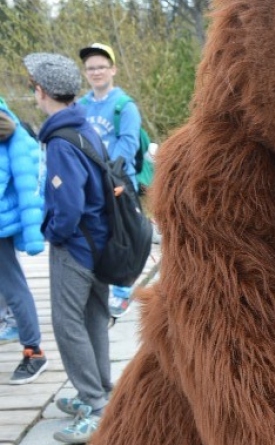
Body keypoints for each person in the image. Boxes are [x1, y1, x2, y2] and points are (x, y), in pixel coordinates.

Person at [24, 52, 112, 444]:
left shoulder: (59, 141)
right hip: (99, 242)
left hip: (75, 246)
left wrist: (55, 234)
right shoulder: (84, 126)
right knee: (93, 315)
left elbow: (69, 204)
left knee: (66, 323)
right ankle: (102, 391)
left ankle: (94, 405)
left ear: (42, 92)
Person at [78, 42, 141, 318]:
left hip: (117, 182)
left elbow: (128, 145)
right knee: (98, 236)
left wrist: (106, 173)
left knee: (121, 237)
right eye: (91, 68)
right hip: (90, 185)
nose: (96, 72)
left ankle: (123, 292)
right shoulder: (80, 106)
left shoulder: (124, 106)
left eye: (101, 66)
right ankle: (100, 289)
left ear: (112, 69)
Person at [0, 97, 47, 382]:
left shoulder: (8, 129)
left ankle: (34, 351)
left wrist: (32, 235)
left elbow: (25, 181)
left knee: (13, 287)